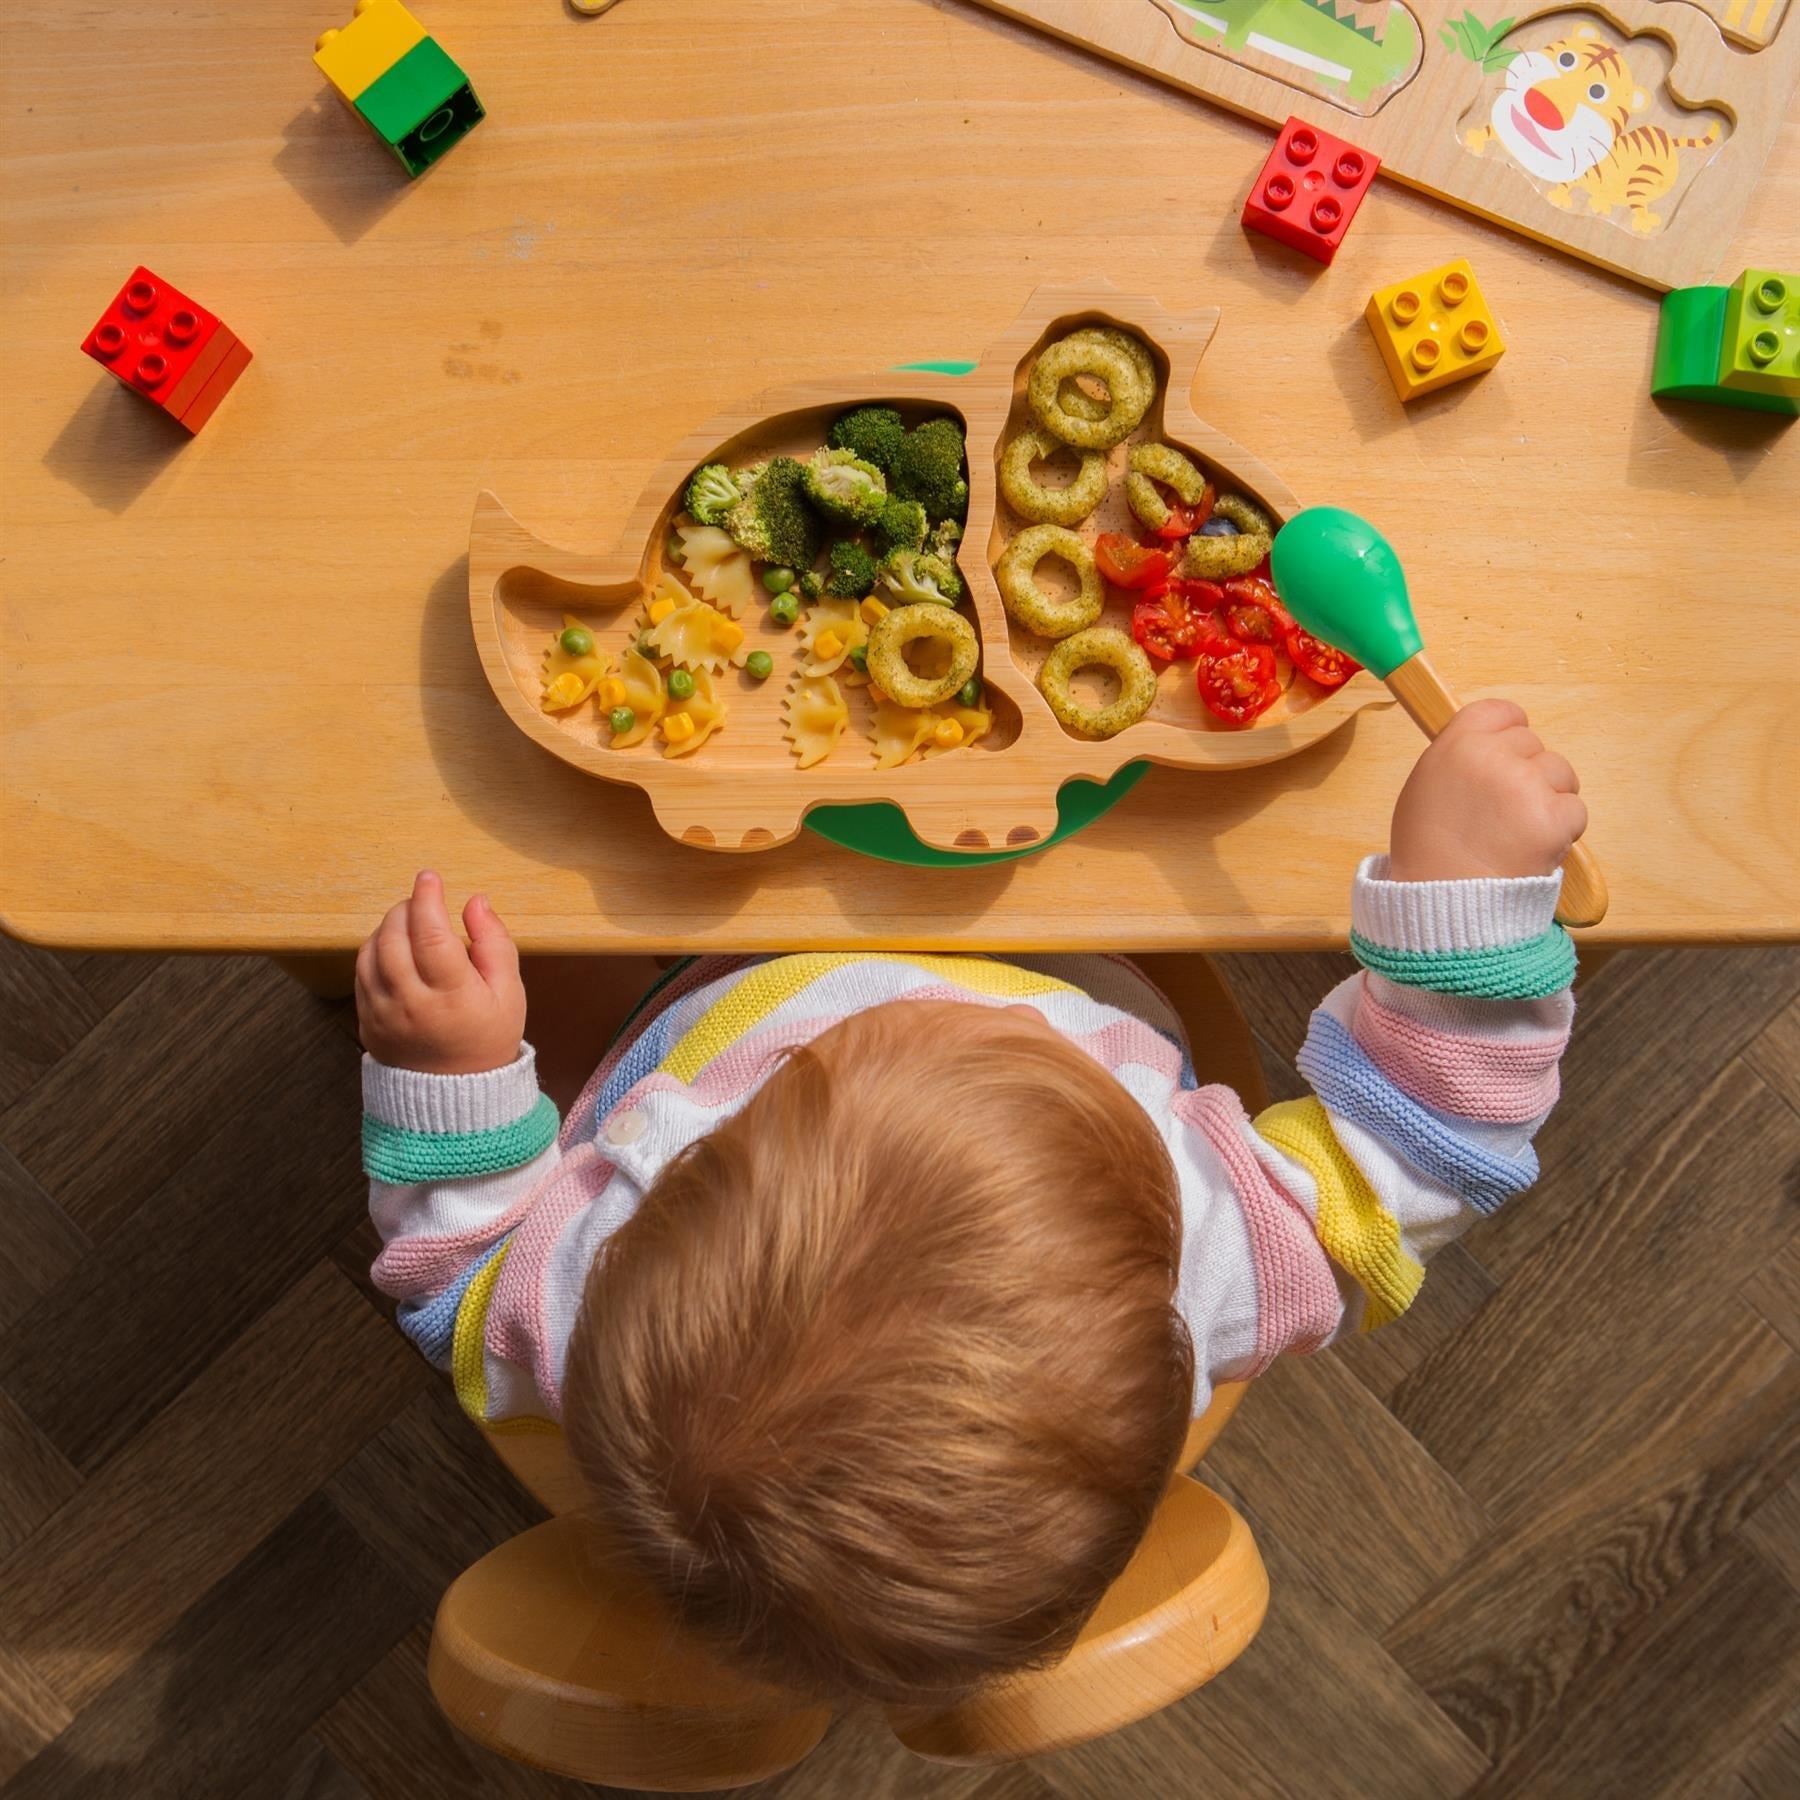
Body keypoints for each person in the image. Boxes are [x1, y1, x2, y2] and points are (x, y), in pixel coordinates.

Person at [355, 698, 1584, 1706]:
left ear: (649, 1221)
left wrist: (451, 1078)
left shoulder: (587, 1305)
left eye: (798, 1084)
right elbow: (1431, 1148)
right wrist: (1465, 902)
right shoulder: (1217, 1259)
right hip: (1069, 946)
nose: (907, 994)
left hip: (723, 968)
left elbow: (460, 1277)